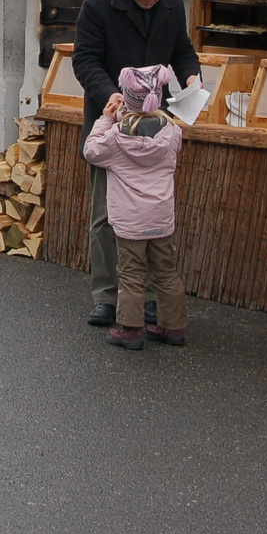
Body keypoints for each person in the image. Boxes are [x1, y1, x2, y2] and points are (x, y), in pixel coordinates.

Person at [71, 0, 202, 328]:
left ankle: (142, 298)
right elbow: (85, 59)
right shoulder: (97, 6)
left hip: (156, 127)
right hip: (112, 121)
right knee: (106, 216)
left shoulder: (173, 6)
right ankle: (107, 295)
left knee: (151, 217)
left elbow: (183, 50)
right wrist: (109, 94)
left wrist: (191, 74)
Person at [83, 64, 190, 351]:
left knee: (131, 274)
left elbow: (91, 151)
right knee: (166, 272)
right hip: (161, 217)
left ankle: (130, 330)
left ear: (126, 99)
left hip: (130, 222)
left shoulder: (117, 137)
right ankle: (173, 327)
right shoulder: (172, 133)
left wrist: (105, 120)